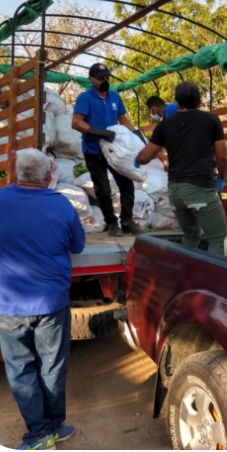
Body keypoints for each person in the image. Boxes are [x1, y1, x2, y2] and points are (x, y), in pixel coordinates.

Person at [0, 149, 84, 450]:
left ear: (16, 173)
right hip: (51, 302)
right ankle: (55, 426)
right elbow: (78, 244)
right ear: (49, 176)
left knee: (21, 367)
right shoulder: (61, 205)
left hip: (9, 305)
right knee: (52, 365)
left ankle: (37, 434)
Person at [135, 82, 227, 256]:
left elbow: (144, 157)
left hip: (176, 191)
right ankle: (214, 282)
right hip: (199, 188)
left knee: (190, 235)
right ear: (200, 102)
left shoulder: (164, 126)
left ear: (176, 103)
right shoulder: (211, 120)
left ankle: (185, 278)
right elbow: (222, 157)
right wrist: (222, 177)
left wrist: (136, 159)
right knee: (218, 238)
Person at [71, 62, 143, 237]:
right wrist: (99, 133)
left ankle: (127, 221)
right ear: (91, 79)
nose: (104, 80)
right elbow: (76, 122)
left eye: (107, 77)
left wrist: (137, 135)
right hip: (93, 150)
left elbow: (123, 118)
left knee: (127, 184)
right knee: (103, 188)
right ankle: (112, 223)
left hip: (114, 150)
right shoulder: (85, 98)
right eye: (100, 78)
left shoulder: (114, 97)